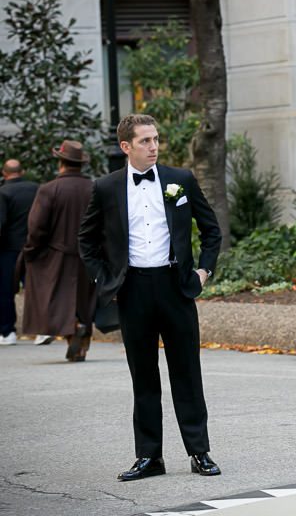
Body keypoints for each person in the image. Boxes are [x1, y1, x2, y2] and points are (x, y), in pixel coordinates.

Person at [78, 114, 222, 481]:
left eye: (156, 139)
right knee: (143, 376)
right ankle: (149, 457)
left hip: (176, 288)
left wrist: (203, 272)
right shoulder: (106, 187)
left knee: (187, 373)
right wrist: (105, 278)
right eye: (145, 141)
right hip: (133, 290)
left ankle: (199, 452)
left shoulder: (180, 180)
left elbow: (211, 231)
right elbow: (87, 240)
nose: (154, 146)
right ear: (126, 146)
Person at [19, 142, 95, 360]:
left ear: (61, 163)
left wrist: (31, 251)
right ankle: (81, 344)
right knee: (83, 299)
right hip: (88, 255)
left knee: (51, 299)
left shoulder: (49, 189)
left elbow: (36, 227)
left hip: (56, 255)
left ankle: (73, 325)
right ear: (80, 164)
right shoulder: (94, 188)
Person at [0, 159, 38, 346]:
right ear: (22, 171)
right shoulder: (37, 189)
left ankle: (8, 332)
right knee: (35, 289)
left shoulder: (3, 192)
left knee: (5, 291)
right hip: (34, 247)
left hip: (9, 249)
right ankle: (42, 330)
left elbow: (1, 223)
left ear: (4, 173)